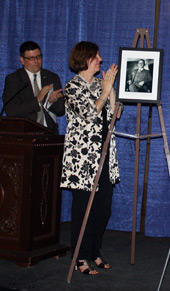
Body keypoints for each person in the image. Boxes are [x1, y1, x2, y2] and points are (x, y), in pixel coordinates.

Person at [60, 41, 120, 275]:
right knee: (83, 209)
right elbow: (88, 114)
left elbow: (116, 114)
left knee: (104, 209)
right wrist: (104, 92)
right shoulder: (72, 87)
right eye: (96, 56)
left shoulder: (99, 84)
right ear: (85, 59)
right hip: (82, 160)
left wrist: (111, 89)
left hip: (104, 156)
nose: (101, 59)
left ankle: (94, 250)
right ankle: (79, 255)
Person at [2, 41, 65, 134]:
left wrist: (50, 102)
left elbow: (61, 110)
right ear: (22, 60)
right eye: (31, 58)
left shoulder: (51, 77)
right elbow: (11, 110)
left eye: (38, 57)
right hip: (24, 134)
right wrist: (37, 100)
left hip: (49, 133)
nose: (36, 61)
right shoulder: (14, 79)